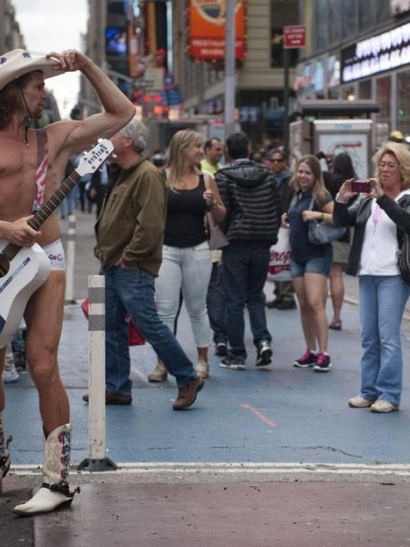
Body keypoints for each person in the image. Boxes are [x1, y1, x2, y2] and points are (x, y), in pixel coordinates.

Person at [0, 48, 134, 514]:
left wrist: (86, 64)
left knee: (44, 364)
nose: (45, 92)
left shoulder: (56, 139)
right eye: (37, 85)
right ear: (13, 93)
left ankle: (57, 480)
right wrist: (3, 229)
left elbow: (123, 113)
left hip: (46, 257)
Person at [92, 118, 204, 405]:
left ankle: (186, 375)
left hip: (130, 267)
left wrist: (130, 258)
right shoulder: (124, 172)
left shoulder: (146, 175)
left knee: (148, 323)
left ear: (128, 140)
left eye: (112, 133)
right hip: (112, 264)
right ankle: (117, 386)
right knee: (111, 325)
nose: (106, 138)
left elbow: (150, 225)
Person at [333, 142, 410, 413]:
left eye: (391, 165)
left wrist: (383, 199)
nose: (384, 170)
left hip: (394, 275)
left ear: (403, 169)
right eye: (381, 165)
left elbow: (409, 223)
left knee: (388, 337)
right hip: (368, 274)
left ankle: (389, 394)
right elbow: (343, 222)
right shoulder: (368, 200)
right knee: (369, 337)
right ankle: (368, 390)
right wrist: (341, 199)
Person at [147, 130, 225, 383]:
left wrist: (213, 204)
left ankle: (203, 360)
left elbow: (222, 215)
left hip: (198, 249)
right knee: (166, 311)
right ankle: (163, 363)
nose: (201, 151)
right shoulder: (161, 177)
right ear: (182, 149)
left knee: (197, 308)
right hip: (166, 249)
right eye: (196, 147)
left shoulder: (207, 178)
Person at [215, 132, 280, 371]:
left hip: (236, 243)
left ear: (227, 152)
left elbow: (223, 213)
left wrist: (221, 239)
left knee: (233, 300)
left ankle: (237, 354)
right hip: (262, 242)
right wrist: (270, 236)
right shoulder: (268, 176)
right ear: (250, 150)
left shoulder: (222, 177)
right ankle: (263, 342)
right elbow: (276, 207)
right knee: (255, 295)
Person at [285, 155, 335, 372]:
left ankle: (324, 353)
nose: (303, 176)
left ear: (316, 175)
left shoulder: (322, 194)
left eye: (307, 172)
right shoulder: (297, 194)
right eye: (300, 171)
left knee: (316, 304)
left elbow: (339, 219)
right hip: (297, 256)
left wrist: (318, 214)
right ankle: (310, 350)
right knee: (304, 304)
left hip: (317, 254)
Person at [323, 153, 357, 330]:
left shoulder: (329, 179)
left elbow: (311, 164)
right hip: (343, 233)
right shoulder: (353, 183)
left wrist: (322, 156)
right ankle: (337, 317)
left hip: (324, 231)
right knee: (336, 274)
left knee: (322, 275)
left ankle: (320, 315)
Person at [265, 148, 296, 311]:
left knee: (285, 259)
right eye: (273, 160)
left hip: (286, 224)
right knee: (276, 258)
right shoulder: (269, 179)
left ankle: (288, 295)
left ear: (285, 162)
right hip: (272, 223)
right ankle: (278, 294)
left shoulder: (291, 180)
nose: (276, 163)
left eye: (279, 160)